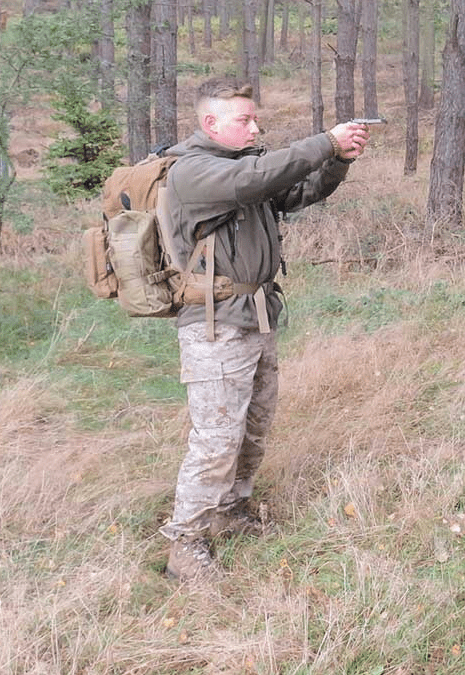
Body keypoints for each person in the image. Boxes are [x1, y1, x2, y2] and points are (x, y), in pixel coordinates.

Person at [158, 79, 370, 581]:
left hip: (256, 316)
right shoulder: (193, 171)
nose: (255, 128)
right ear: (211, 123)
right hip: (215, 326)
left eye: (256, 119)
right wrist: (325, 141)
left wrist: (338, 161)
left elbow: (299, 191)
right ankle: (185, 544)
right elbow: (254, 180)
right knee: (216, 439)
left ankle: (232, 511)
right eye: (244, 120)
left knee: (254, 426)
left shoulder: (242, 166)